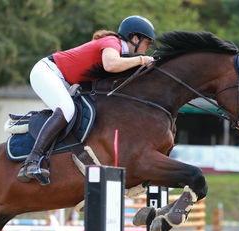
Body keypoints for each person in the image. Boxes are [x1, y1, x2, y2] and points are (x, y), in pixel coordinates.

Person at [17, 15, 155, 184]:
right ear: (135, 38)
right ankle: (31, 161)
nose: (148, 48)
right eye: (147, 42)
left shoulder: (123, 54)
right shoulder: (113, 42)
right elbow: (110, 65)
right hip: (47, 72)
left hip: (63, 80)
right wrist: (142, 60)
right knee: (67, 109)